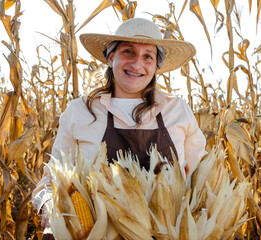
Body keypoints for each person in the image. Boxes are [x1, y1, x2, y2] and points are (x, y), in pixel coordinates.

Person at [32, 17, 207, 239]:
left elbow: (202, 180)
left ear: (156, 66)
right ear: (111, 57)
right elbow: (50, 181)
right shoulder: (80, 111)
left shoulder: (177, 111)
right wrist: (50, 208)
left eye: (148, 56)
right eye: (128, 52)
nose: (137, 64)